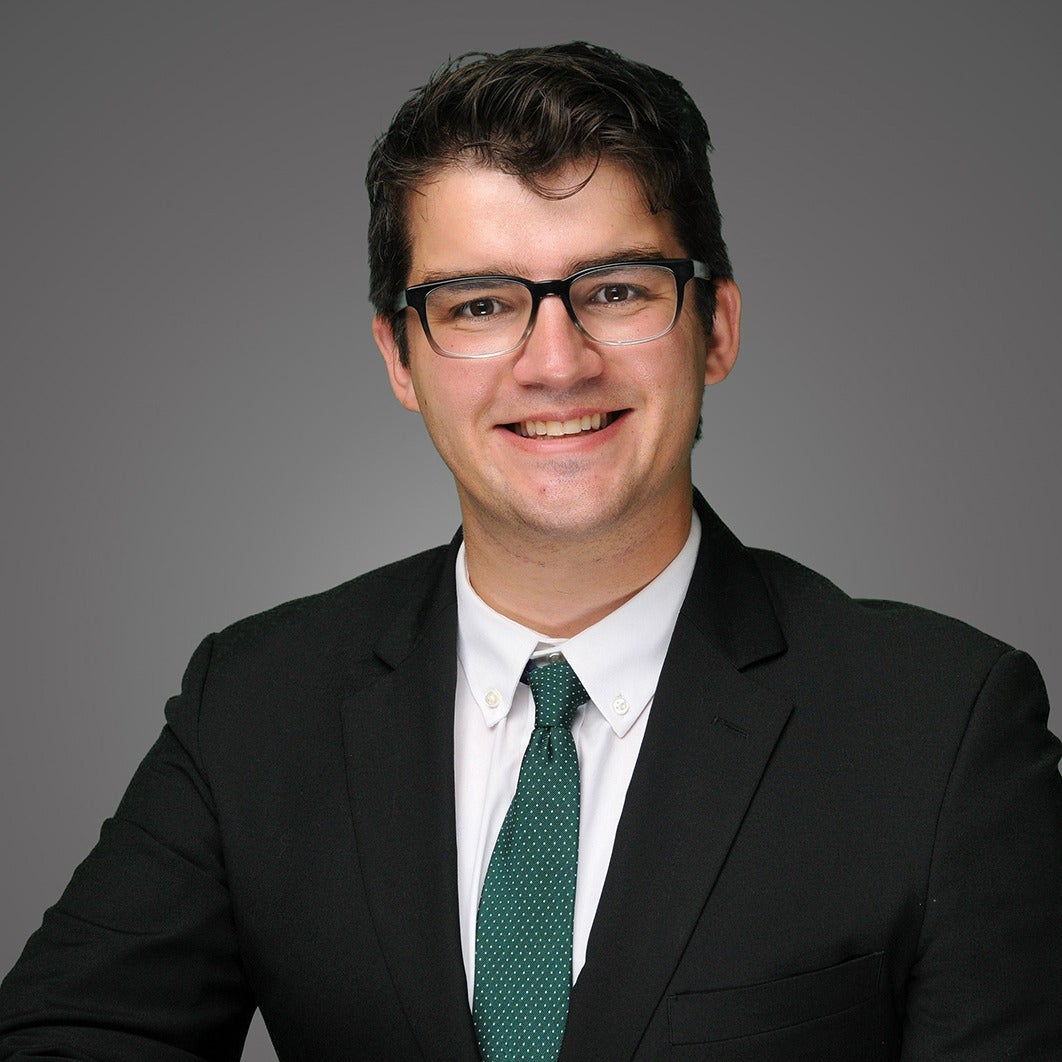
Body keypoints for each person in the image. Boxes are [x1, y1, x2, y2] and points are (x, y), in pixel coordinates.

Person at [1, 39, 1060, 1062]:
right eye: (479, 304)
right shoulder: (253, 704)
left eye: (617, 290)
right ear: (400, 358)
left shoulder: (944, 731)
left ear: (716, 329)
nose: (556, 363)